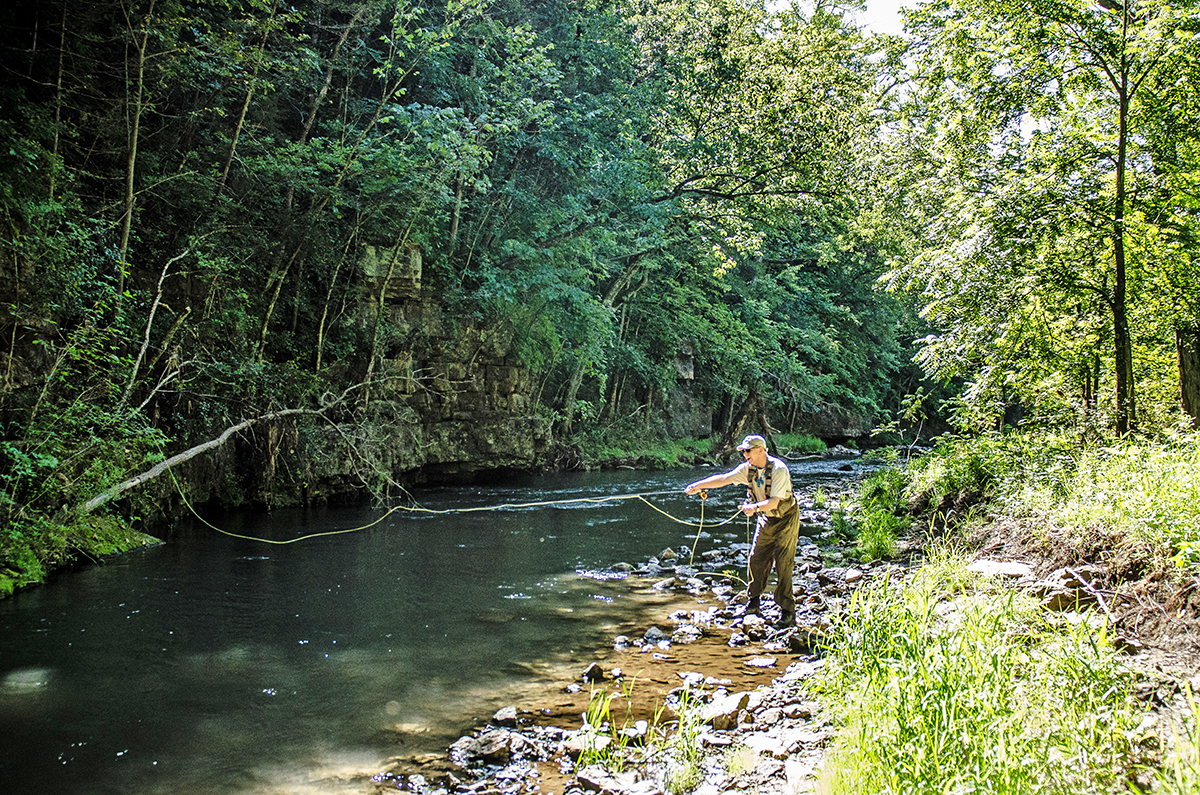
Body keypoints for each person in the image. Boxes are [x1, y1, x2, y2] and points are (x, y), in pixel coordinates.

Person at [684, 434, 800, 626]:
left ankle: (788, 612)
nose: (745, 454)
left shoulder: (779, 469)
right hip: (766, 519)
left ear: (761, 450)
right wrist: (698, 485)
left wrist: (753, 508)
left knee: (783, 565)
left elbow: (774, 502)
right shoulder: (748, 469)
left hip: (785, 519)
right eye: (743, 451)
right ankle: (753, 604)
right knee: (756, 560)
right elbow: (724, 479)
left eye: (748, 450)